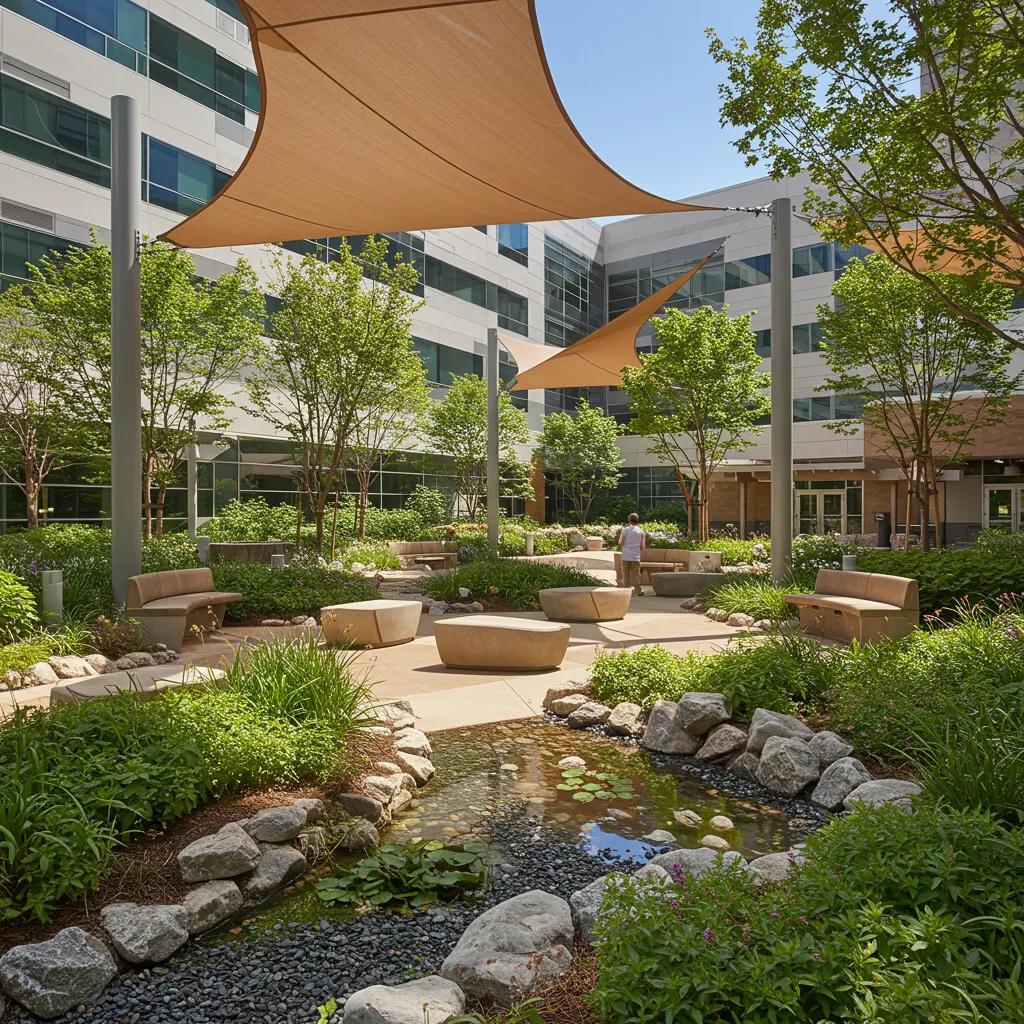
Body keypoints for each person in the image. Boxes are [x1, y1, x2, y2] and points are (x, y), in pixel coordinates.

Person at [617, 512, 645, 596]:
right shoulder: (641, 531)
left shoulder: (625, 530)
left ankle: (626, 591)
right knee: (636, 574)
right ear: (637, 520)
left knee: (625, 574)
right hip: (635, 556)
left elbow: (620, 543)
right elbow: (642, 546)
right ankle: (638, 591)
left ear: (629, 520)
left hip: (625, 556)